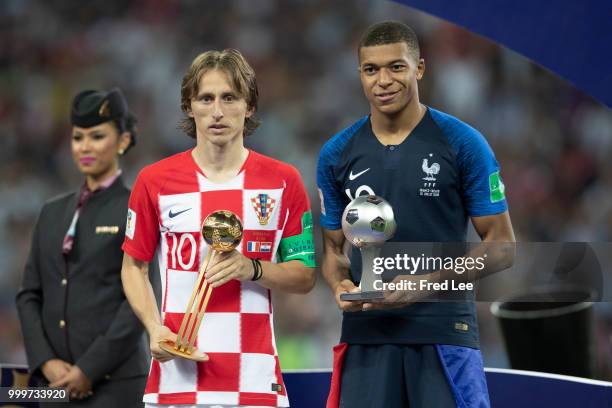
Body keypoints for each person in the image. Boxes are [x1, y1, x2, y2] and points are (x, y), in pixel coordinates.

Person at [317, 21, 516, 408]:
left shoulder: (463, 143)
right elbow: (332, 249)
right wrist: (339, 284)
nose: (384, 80)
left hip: (443, 333)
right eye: (371, 70)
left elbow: (503, 246)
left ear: (419, 68)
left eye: (397, 67)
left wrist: (425, 283)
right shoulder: (336, 153)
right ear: (360, 74)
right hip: (366, 337)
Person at [120, 48, 316, 408]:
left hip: (255, 384)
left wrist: (252, 268)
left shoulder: (283, 181)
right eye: (206, 98)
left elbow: (304, 276)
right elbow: (133, 266)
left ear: (250, 105)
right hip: (176, 382)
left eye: (229, 97)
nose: (217, 111)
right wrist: (153, 327)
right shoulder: (154, 181)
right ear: (189, 106)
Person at [16, 88, 149, 407]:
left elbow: (141, 299)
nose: (85, 147)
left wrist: (88, 369)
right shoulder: (52, 211)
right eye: (78, 138)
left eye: (97, 136)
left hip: (117, 385)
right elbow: (29, 294)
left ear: (123, 141)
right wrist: (45, 361)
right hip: (55, 384)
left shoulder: (136, 207)